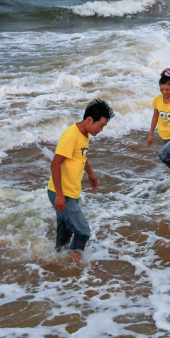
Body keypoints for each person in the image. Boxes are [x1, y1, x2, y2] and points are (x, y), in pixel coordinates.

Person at [48, 98, 114, 262]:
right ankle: (74, 268)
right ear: (90, 119)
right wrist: (60, 195)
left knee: (65, 233)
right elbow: (55, 164)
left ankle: (58, 267)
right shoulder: (71, 135)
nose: (101, 130)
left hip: (70, 191)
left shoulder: (85, 134)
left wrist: (90, 173)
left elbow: (80, 156)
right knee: (83, 231)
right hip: (62, 192)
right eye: (101, 126)